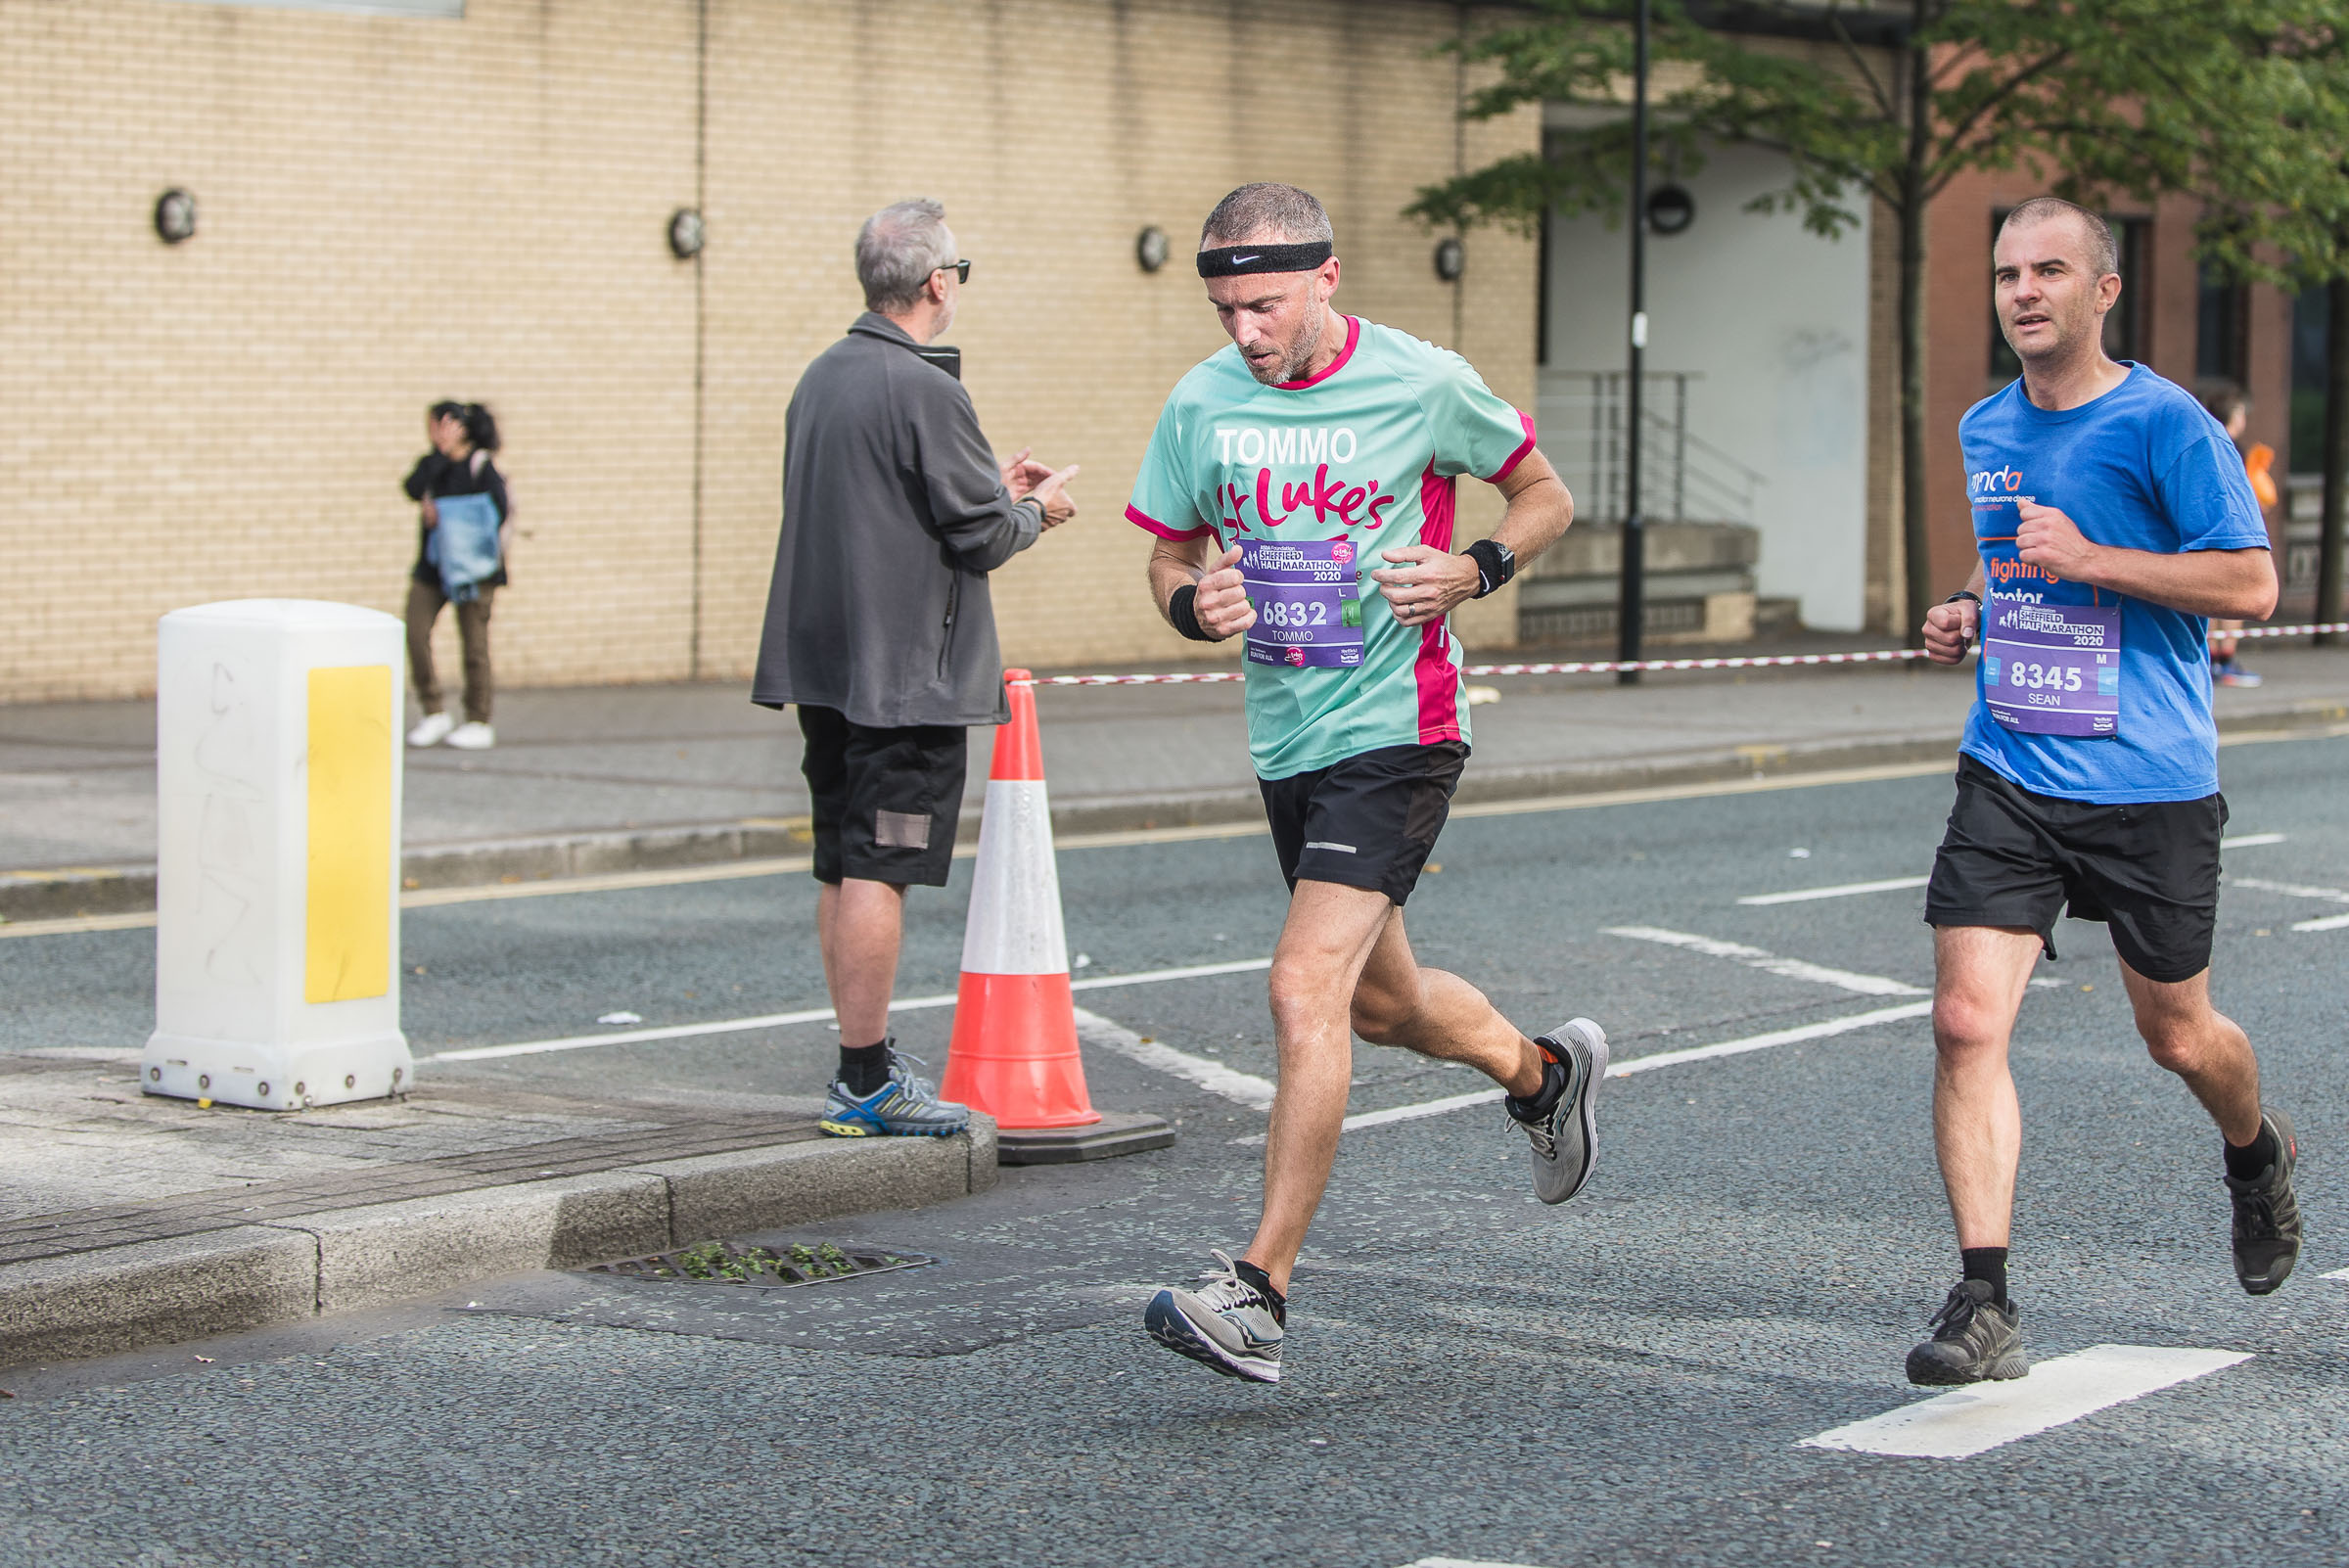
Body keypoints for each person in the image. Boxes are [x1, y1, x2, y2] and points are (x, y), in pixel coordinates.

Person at [1126, 183, 1592, 1385]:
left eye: (1266, 305)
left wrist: (1471, 569)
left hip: (1401, 726)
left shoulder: (1421, 379)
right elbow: (1168, 551)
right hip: (1287, 739)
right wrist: (1192, 605)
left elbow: (1545, 494)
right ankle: (1543, 1076)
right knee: (1380, 1006)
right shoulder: (1202, 401)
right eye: (1227, 308)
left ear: (1326, 279)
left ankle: (1260, 1289)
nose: (1246, 331)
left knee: (1301, 987)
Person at [1911, 197, 2299, 1387]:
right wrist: (1975, 608)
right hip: (2014, 764)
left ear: (2103, 291)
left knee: (2178, 1037)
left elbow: (2251, 587)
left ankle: (2255, 1149)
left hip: (2150, 783)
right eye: (2006, 273)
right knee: (1966, 1020)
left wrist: (2096, 562)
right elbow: (2012, 553)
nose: (2023, 291)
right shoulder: (1986, 423)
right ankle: (1985, 1301)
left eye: (2049, 271)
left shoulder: (2170, 425)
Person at [753, 199, 1078, 1141]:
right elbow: (978, 538)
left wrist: (992, 491)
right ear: (939, 282)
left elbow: (889, 506)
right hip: (905, 676)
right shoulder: (927, 387)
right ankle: (862, 1081)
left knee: (843, 862)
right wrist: (1035, 510)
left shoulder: (822, 378)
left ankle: (861, 1066)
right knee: (878, 869)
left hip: (826, 666)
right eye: (959, 272)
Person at [402, 401, 510, 751]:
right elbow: (412, 488)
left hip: (473, 571)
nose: (434, 432)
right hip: (434, 567)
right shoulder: (433, 464)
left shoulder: (480, 465)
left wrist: (451, 518)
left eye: (440, 425)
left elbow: (498, 511)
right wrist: (439, 454)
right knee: (415, 631)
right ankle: (434, 710)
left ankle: (479, 720)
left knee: (474, 645)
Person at [2197, 386, 2276, 688]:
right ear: (2233, 414)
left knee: (2207, 597)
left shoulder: (2203, 441)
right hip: (2231, 534)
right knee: (2234, 595)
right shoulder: (2233, 448)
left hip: (2205, 533)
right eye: (2241, 411)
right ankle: (2225, 661)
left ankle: (2211, 660)